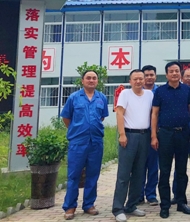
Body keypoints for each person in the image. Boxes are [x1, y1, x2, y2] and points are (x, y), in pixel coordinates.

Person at [61, 70, 109, 220]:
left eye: (94, 78)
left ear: (97, 81)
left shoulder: (102, 98)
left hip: (96, 142)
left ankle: (89, 204)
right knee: (74, 175)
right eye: (88, 78)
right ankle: (70, 207)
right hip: (78, 142)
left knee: (93, 175)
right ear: (82, 81)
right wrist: (77, 130)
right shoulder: (74, 98)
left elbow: (101, 117)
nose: (91, 80)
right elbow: (66, 118)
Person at [151, 62, 190, 218]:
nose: (175, 73)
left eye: (177, 71)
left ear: (180, 74)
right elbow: (154, 114)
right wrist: (153, 136)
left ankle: (181, 202)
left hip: (183, 133)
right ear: (167, 74)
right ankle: (164, 205)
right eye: (171, 71)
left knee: (182, 170)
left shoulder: (186, 90)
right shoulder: (160, 91)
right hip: (165, 134)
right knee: (164, 171)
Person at [112, 69, 153, 222]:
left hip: (144, 136)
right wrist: (122, 134)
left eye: (141, 78)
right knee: (124, 174)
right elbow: (119, 113)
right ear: (130, 81)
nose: (138, 81)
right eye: (135, 79)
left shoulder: (149, 94)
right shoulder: (125, 94)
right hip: (129, 136)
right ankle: (118, 208)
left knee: (139, 173)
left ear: (144, 80)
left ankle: (131, 205)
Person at [171, 68, 190, 204]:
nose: (189, 79)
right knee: (179, 164)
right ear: (182, 78)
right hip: (181, 132)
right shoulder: (178, 92)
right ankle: (178, 193)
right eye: (187, 76)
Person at [141, 65, 159, 206]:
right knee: (139, 166)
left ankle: (151, 194)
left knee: (153, 165)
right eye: (146, 75)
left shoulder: (160, 92)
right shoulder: (136, 91)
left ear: (155, 76)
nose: (149, 77)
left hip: (156, 134)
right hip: (139, 133)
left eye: (151, 75)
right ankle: (138, 194)